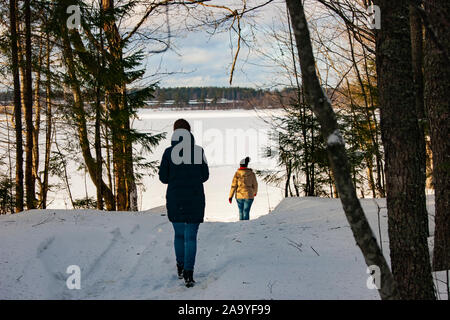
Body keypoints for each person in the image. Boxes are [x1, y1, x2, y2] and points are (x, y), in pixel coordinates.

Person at [158, 119, 209, 288]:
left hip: (175, 199)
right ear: (189, 132)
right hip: (195, 199)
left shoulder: (167, 153)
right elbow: (205, 176)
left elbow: (164, 178)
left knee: (179, 235)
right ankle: (189, 273)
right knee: (191, 237)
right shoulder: (198, 151)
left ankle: (180, 267)